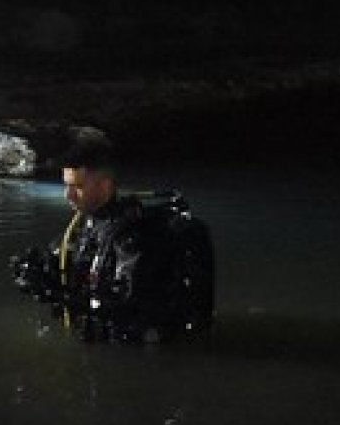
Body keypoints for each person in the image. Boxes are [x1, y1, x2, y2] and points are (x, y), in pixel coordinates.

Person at [13, 138, 215, 343]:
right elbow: (76, 272)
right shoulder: (87, 225)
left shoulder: (134, 235)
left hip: (137, 350)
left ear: (104, 186)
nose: (68, 195)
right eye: (66, 186)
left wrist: (58, 295)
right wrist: (38, 274)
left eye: (78, 186)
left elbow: (126, 304)